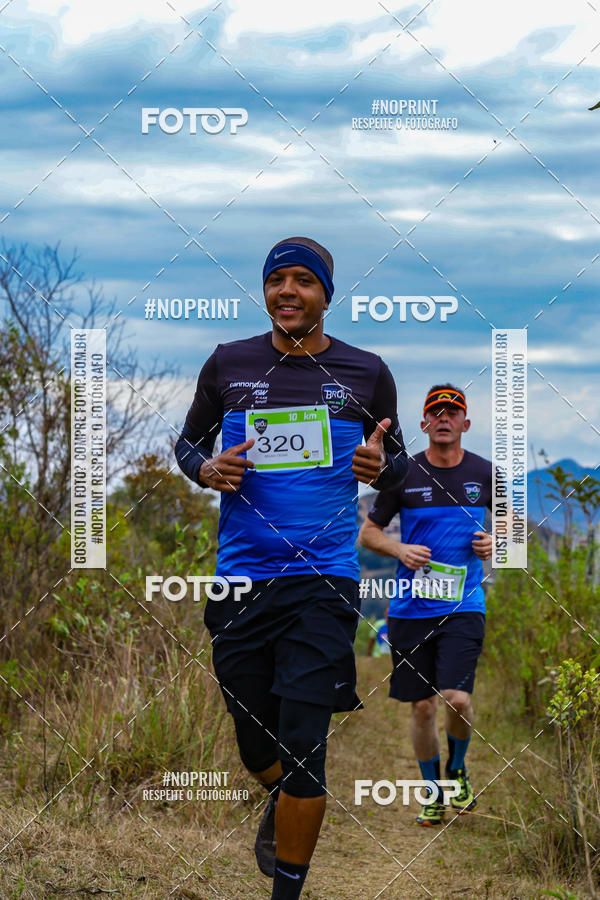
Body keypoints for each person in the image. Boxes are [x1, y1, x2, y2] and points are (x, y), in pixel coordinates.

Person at [174, 236, 408, 898]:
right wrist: (207, 469)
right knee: (256, 743)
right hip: (243, 575)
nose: (288, 291)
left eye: (304, 281)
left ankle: (288, 889)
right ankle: (280, 796)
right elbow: (190, 444)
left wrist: (380, 468)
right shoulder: (229, 364)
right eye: (278, 280)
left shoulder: (366, 372)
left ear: (325, 296)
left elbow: (401, 463)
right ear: (267, 290)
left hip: (324, 580)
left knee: (305, 744)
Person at [358, 385, 492, 827]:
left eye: (453, 413)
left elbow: (513, 534)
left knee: (456, 698)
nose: (444, 419)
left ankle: (456, 769)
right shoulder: (404, 474)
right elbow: (369, 533)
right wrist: (400, 551)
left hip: (464, 605)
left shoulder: (487, 474)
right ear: (424, 424)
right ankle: (433, 792)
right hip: (410, 610)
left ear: (465, 424)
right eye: (436, 413)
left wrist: (498, 544)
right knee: (422, 707)